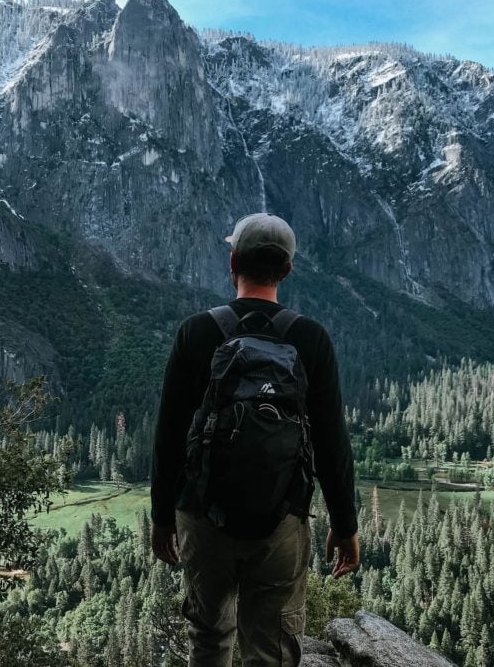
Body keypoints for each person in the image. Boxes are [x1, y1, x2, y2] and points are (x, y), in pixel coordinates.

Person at [150, 212, 360, 667]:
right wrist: (346, 525)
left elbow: (169, 434)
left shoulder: (198, 332)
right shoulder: (310, 338)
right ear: (286, 270)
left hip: (203, 517)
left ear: (232, 262)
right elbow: (330, 442)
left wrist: (162, 517)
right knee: (271, 647)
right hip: (281, 519)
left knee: (208, 636)